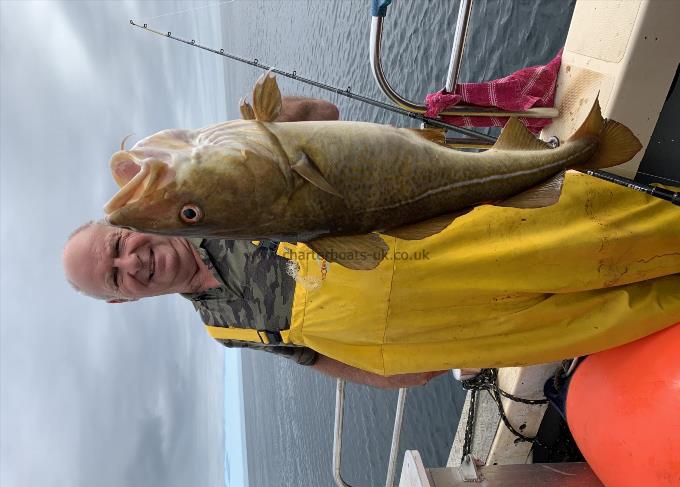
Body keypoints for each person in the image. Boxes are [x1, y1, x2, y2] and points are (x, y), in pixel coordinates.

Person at [63, 97, 680, 386]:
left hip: (470, 239)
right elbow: (315, 355)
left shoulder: (231, 180)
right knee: (616, 317)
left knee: (619, 238)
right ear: (124, 301)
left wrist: (278, 122)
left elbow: (326, 121)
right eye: (115, 274)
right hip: (459, 330)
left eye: (118, 244)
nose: (133, 260)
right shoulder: (223, 327)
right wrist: (397, 376)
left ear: (130, 229)